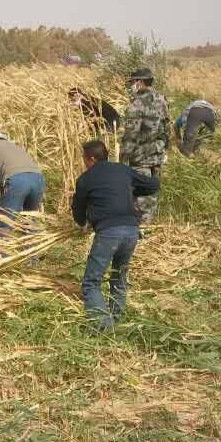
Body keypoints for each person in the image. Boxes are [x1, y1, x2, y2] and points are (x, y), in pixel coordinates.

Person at [71, 140, 160, 330]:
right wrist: (128, 189)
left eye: (84, 159)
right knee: (119, 275)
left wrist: (82, 224)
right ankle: (117, 318)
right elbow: (153, 185)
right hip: (131, 231)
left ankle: (104, 326)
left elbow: (78, 211)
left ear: (92, 159)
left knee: (91, 282)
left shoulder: (86, 179)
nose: (84, 162)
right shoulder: (122, 170)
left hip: (109, 233)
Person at [119, 68, 170, 225]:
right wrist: (165, 148)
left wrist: (122, 159)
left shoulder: (136, 105)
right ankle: (150, 224)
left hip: (140, 158)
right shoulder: (162, 99)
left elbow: (130, 136)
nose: (131, 86)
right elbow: (167, 126)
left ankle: (142, 227)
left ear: (140, 82)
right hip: (158, 154)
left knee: (141, 196)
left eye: (133, 82)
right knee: (152, 191)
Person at [0, 128, 45, 238]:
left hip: (17, 181)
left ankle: (3, 254)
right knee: (30, 222)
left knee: (5, 223)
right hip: (38, 179)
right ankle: (34, 254)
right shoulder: (15, 146)